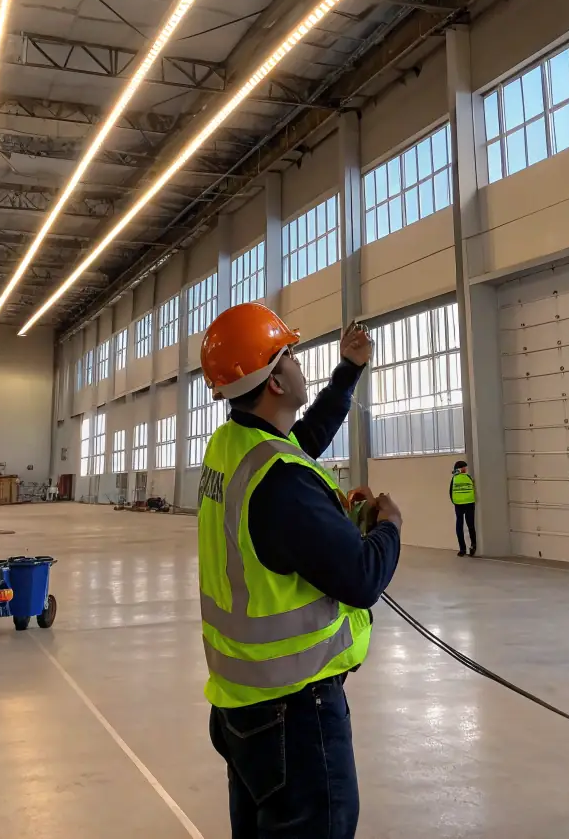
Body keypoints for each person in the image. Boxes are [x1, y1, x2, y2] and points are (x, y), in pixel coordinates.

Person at [198, 304, 402, 839]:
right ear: (273, 380)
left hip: (243, 706)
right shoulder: (281, 481)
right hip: (295, 710)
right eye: (287, 353)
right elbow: (360, 578)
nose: (296, 360)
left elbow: (301, 440)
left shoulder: (233, 445)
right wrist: (389, 527)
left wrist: (349, 370)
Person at [450, 458, 477, 557]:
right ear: (460, 469)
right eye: (464, 467)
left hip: (459, 505)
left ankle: (462, 549)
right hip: (469, 504)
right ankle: (473, 546)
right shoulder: (469, 477)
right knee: (471, 526)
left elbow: (450, 492)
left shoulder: (454, 479)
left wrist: (456, 501)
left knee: (459, 527)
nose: (466, 469)